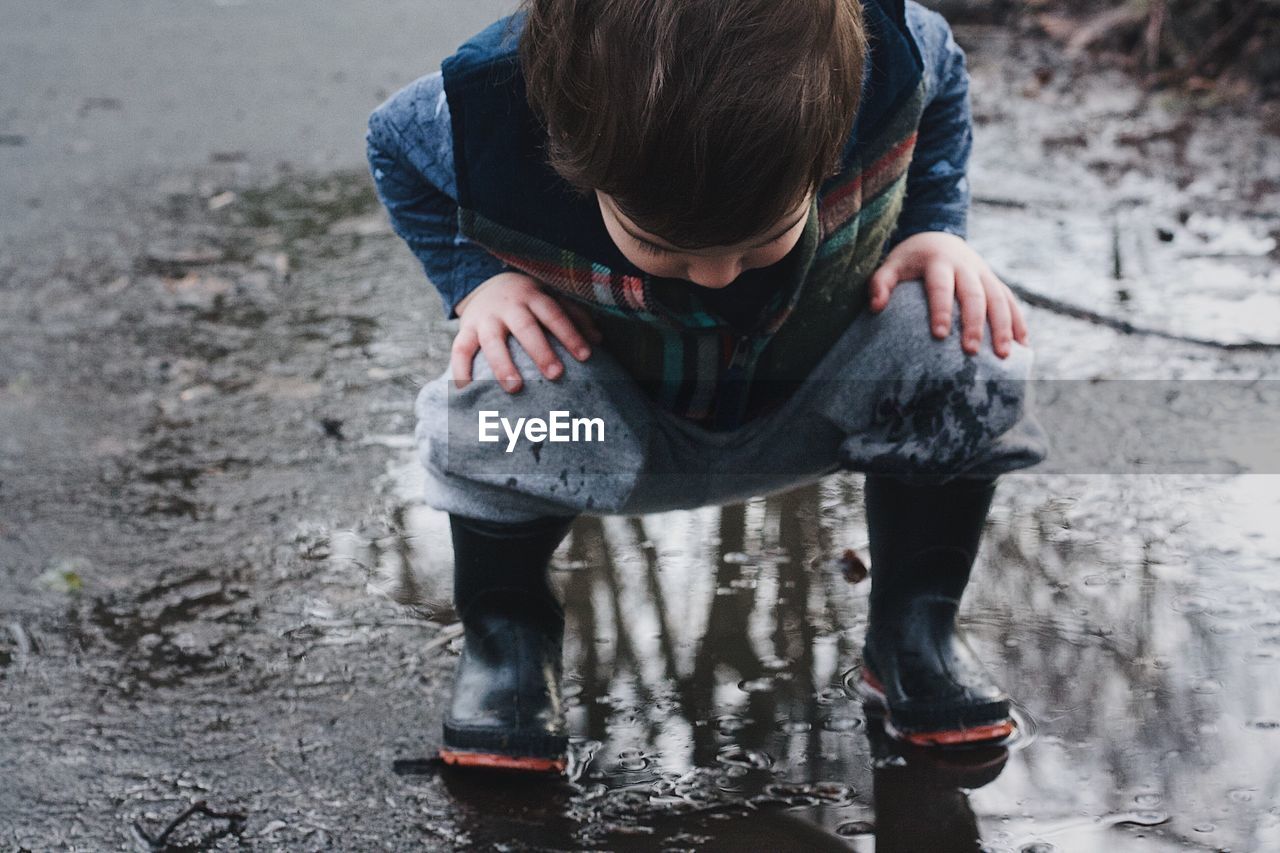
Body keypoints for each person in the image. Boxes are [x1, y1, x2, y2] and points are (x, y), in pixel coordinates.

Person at [366, 0, 1048, 772]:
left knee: (963, 331)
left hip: (813, 401)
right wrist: (476, 282)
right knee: (504, 372)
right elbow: (394, 146)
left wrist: (934, 226)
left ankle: (913, 634)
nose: (717, 276)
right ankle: (509, 651)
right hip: (605, 428)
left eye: (759, 242)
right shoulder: (488, 107)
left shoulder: (881, 55)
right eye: (662, 245)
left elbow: (945, 78)